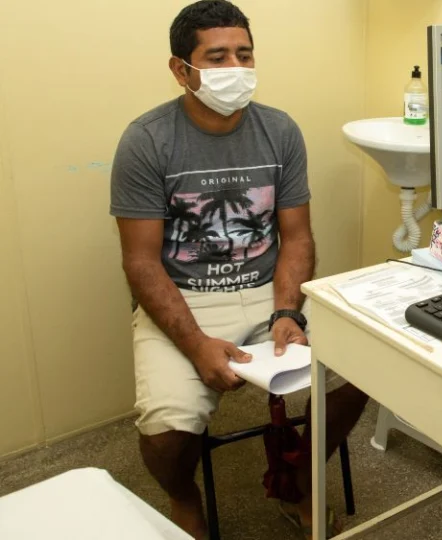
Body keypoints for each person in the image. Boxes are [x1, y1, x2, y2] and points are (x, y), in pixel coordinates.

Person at [109, 1, 368, 538]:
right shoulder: (147, 140)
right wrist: (195, 342)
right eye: (218, 56)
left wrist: (286, 311)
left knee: (366, 371)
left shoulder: (279, 130)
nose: (235, 69)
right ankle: (185, 499)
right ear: (182, 70)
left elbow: (296, 238)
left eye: (244, 55)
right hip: (185, 299)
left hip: (271, 290)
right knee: (165, 433)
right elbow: (139, 260)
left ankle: (296, 477)